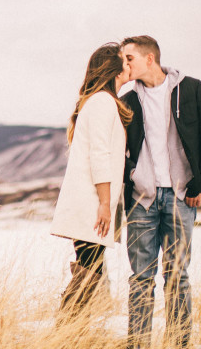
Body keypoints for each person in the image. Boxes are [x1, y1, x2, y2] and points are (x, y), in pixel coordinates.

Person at [120, 35, 201, 348]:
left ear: (150, 59)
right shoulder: (128, 100)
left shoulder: (190, 89)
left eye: (129, 59)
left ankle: (179, 344)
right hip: (142, 201)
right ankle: (137, 345)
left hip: (180, 197)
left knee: (177, 276)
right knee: (140, 279)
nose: (124, 65)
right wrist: (130, 180)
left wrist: (200, 184)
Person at [51, 42, 133, 323]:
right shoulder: (102, 102)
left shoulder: (100, 101)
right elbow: (100, 154)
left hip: (89, 201)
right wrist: (105, 203)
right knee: (89, 269)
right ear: (113, 67)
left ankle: (69, 330)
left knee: (90, 268)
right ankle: (64, 330)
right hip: (90, 202)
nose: (129, 64)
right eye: (125, 60)